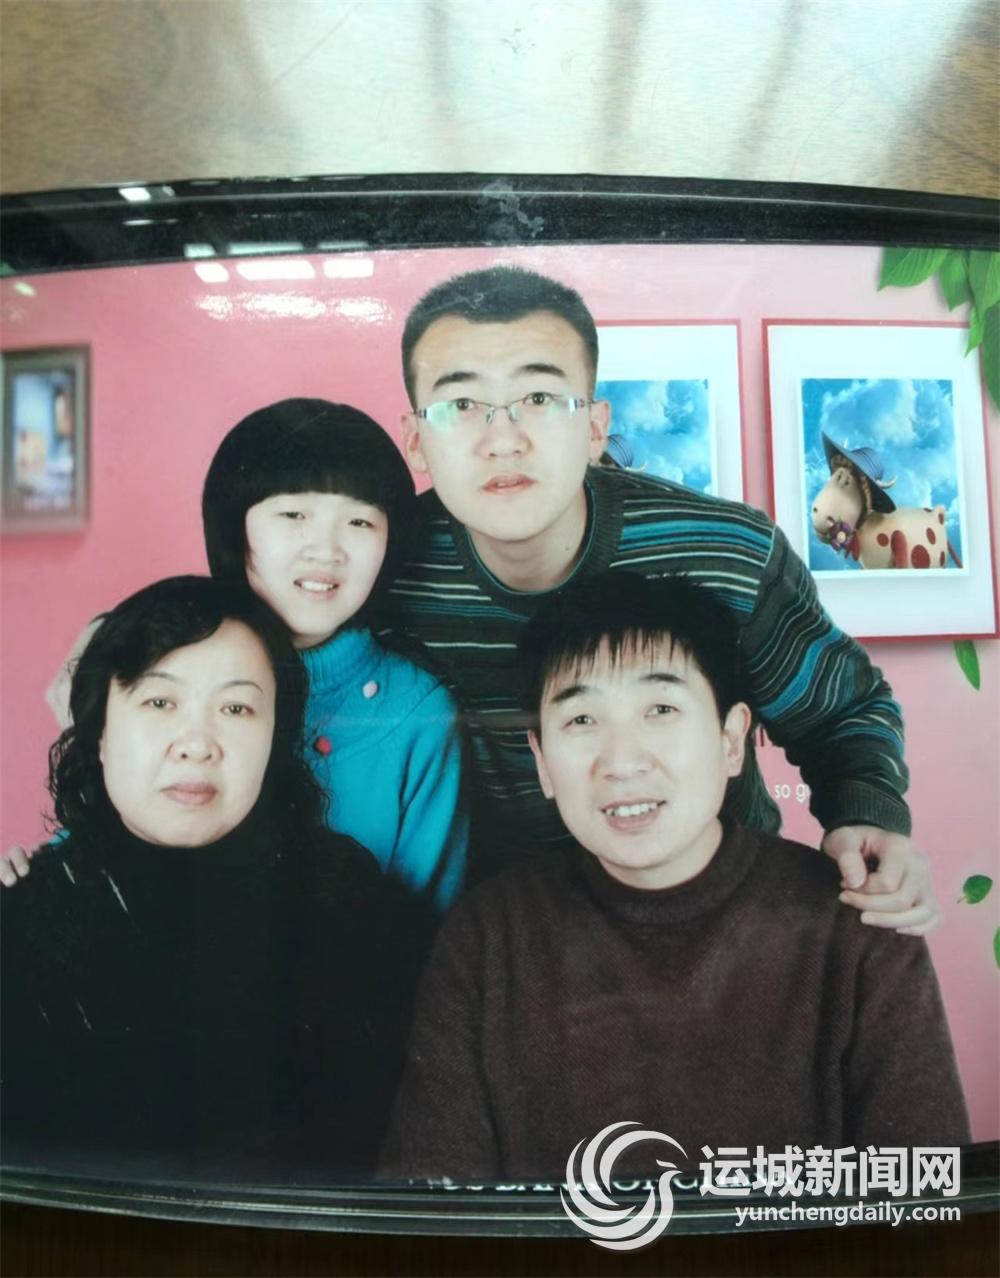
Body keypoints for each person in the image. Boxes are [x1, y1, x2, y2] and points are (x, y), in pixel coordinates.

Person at [390, 264, 936, 930]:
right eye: (460, 405)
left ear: (596, 428)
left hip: (718, 918)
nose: (503, 440)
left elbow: (839, 712)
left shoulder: (726, 552)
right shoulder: (382, 569)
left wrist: (865, 816)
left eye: (539, 398)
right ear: (415, 440)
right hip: (502, 936)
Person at [379, 574, 970, 1181]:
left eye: (660, 710)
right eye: (581, 719)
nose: (622, 761)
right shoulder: (487, 937)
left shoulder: (857, 923)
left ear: (732, 740)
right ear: (542, 761)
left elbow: (926, 1198)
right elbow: (434, 1204)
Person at [2, 576, 419, 1178]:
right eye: (159, 702)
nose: (197, 745)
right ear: (99, 732)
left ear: (277, 736)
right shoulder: (21, 919)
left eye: (236, 708)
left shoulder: (346, 895)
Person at [4, 400, 467, 914]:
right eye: (293, 514)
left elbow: (429, 928)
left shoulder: (418, 713)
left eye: (360, 521)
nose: (326, 550)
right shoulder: (152, 657)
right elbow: (115, 828)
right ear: (235, 527)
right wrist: (40, 876)